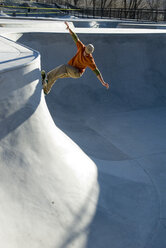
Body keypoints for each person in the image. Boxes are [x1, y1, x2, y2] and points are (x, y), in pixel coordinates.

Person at [41, 21, 109, 95]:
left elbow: (96, 71)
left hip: (76, 73)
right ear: (85, 48)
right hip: (71, 69)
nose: (85, 54)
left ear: (90, 54)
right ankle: (46, 90)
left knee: (64, 67)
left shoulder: (90, 60)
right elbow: (75, 37)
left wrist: (103, 82)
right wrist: (69, 28)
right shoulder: (81, 47)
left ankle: (47, 78)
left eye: (87, 54)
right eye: (85, 52)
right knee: (56, 75)